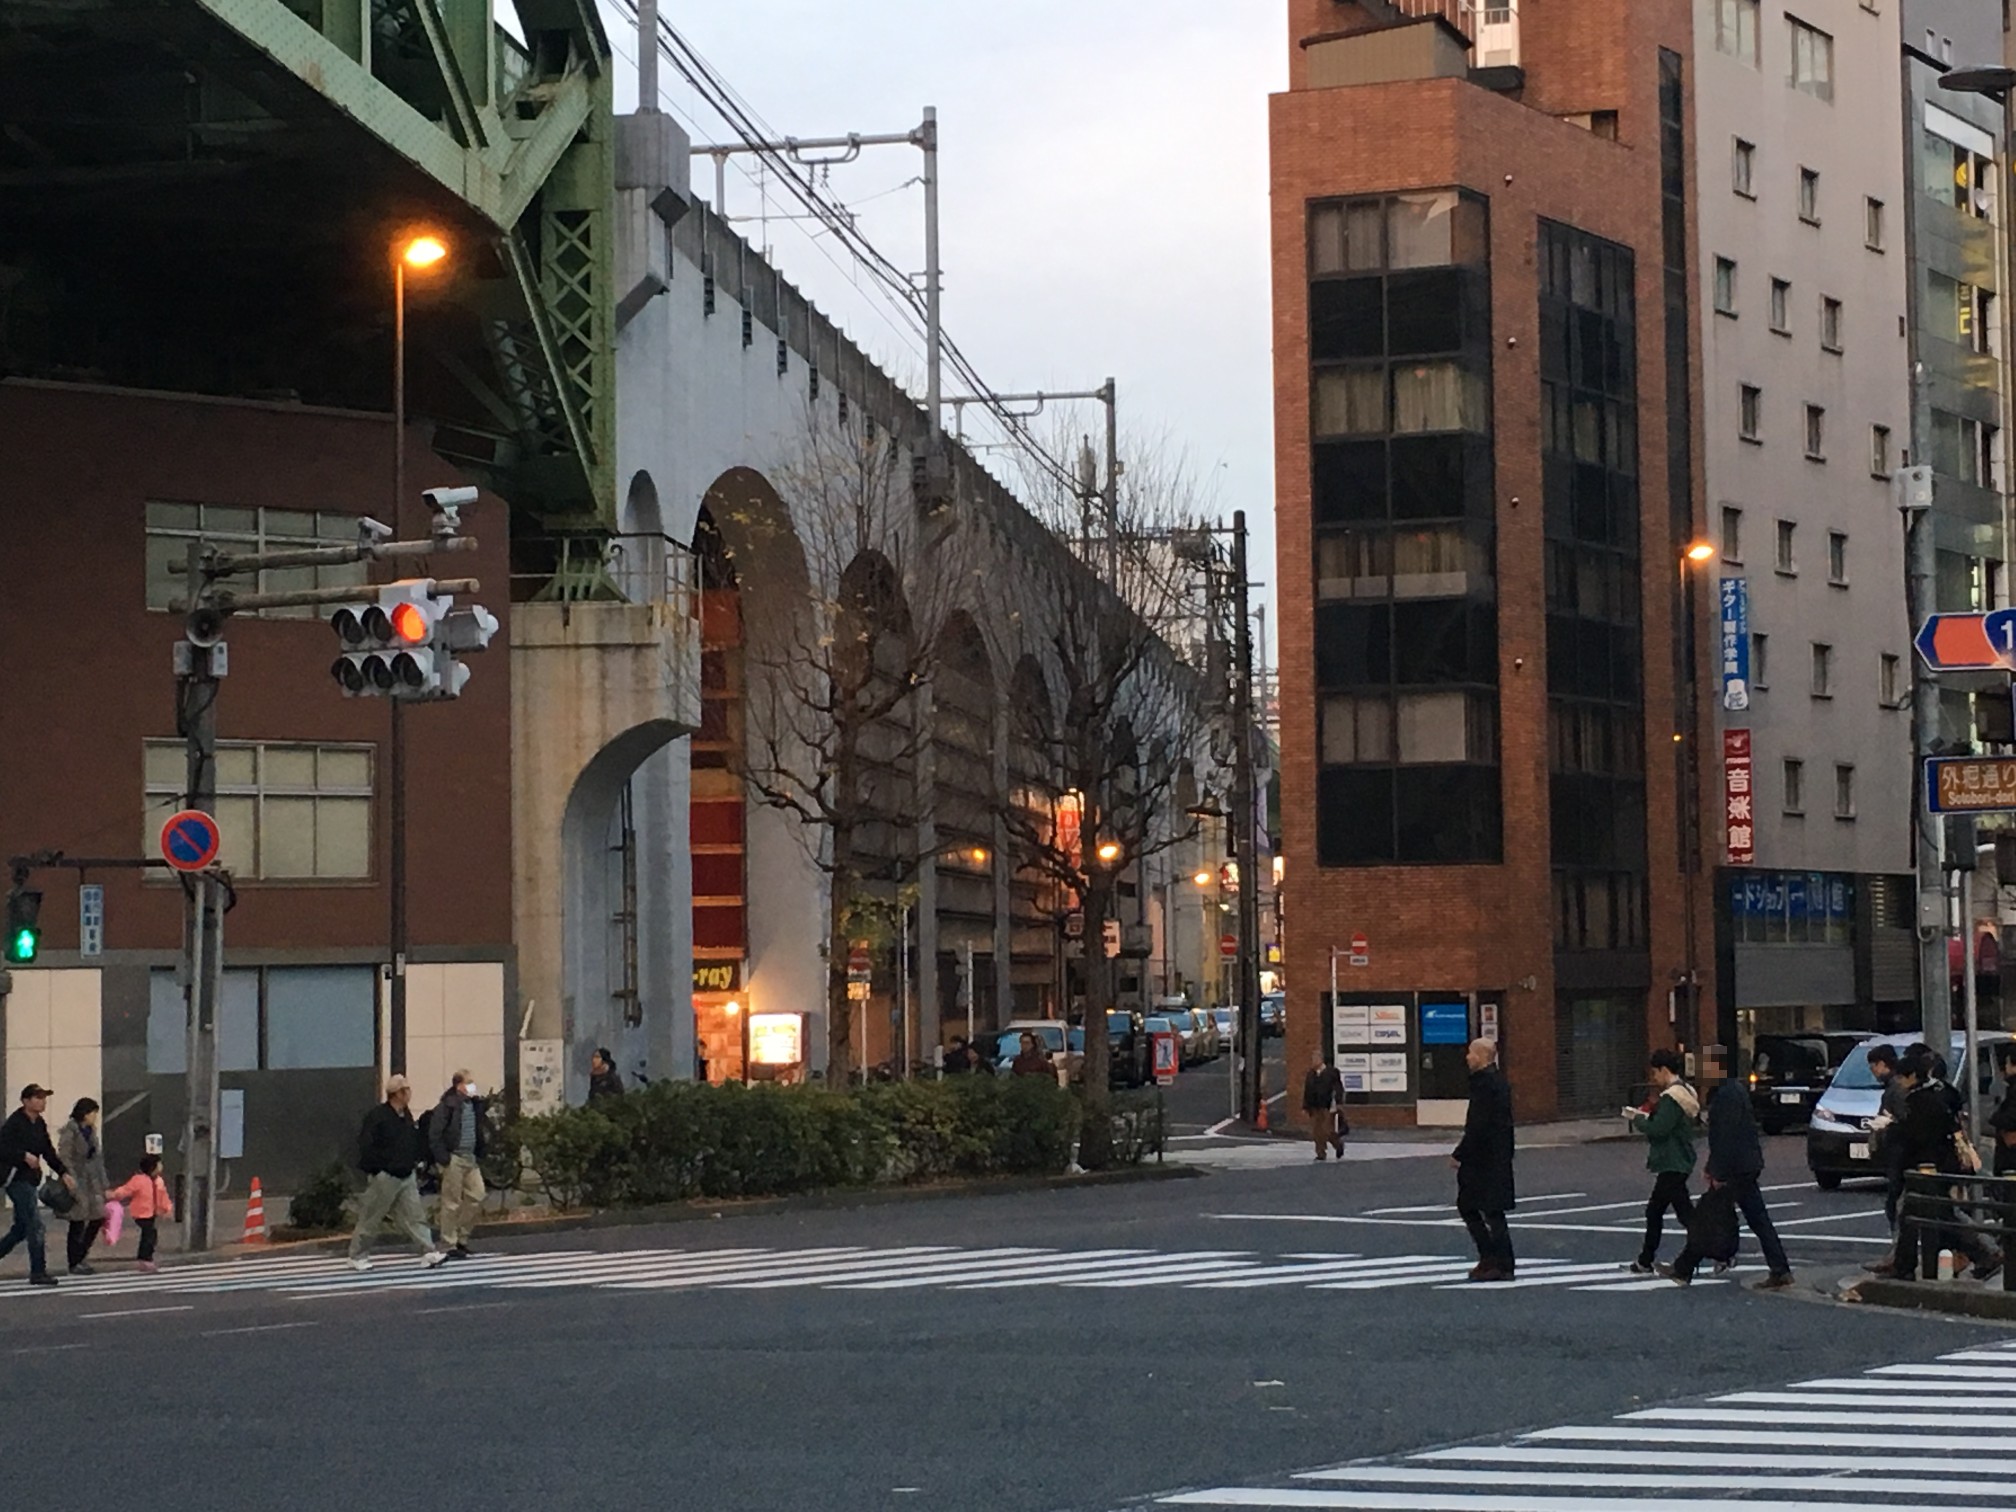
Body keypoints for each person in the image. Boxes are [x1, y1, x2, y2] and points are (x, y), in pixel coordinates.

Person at [1873, 1047, 2003, 1281]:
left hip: (1928, 1168)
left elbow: (1917, 1136)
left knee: (1938, 1216)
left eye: (1902, 1077)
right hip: (1941, 1165)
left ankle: (1984, 1253)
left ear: (1913, 1076)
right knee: (1923, 1214)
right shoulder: (1941, 1093)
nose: (1900, 1082)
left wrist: (1890, 1129)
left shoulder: (1921, 1101)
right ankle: (1905, 1265)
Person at [1662, 1055, 1792, 1290]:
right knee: (1753, 1218)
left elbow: (1725, 1137)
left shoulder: (1726, 1096)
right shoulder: (1733, 1090)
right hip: (1745, 1165)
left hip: (1735, 1168)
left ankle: (1691, 1265)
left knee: (1709, 1215)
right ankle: (1779, 1268)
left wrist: (1717, 1171)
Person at [348, 1075, 447, 1274]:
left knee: (415, 1215)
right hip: (386, 1176)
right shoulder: (378, 1116)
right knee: (372, 1216)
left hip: (406, 1174)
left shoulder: (405, 1116)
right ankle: (357, 1255)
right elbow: (366, 1144)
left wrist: (416, 1161)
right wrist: (377, 1168)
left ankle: (428, 1251)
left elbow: (411, 1140)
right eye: (406, 1090)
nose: (410, 1094)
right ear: (398, 1093)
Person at [1627, 1049, 1699, 1274]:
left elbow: (1659, 1128)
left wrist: (1638, 1119)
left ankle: (1716, 1249)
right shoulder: (1687, 1091)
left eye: (1655, 1073)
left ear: (1664, 1070)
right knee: (1679, 1212)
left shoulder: (1672, 1097)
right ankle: (1646, 1259)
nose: (1654, 1078)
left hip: (1671, 1160)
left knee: (1662, 1212)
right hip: (1680, 1159)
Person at [1452, 1038, 1516, 1281]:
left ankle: (1493, 1259)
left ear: (1481, 1056)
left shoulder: (1485, 1085)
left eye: (1471, 1053)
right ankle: (1501, 1261)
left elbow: (1478, 1126)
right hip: (1496, 1156)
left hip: (1484, 1159)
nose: (1467, 1057)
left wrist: (1460, 1153)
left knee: (1474, 1207)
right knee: (1491, 1210)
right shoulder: (1497, 1083)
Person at [0, 1083, 74, 1286]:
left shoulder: (39, 1123)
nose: (43, 1102)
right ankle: (38, 1271)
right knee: (35, 1224)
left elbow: (48, 1150)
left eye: (44, 1098)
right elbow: (3, 1148)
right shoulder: (14, 1123)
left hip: (30, 1178)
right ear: (26, 1101)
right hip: (15, 1178)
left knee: (21, 1228)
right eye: (38, 1097)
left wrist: (63, 1172)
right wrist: (23, 1156)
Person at [428, 1072, 487, 1260]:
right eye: (468, 1083)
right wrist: (444, 1158)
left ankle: (461, 1235)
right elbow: (435, 1133)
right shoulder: (447, 1106)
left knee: (477, 1194)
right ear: (458, 1085)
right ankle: (449, 1242)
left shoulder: (474, 1105)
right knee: (451, 1202)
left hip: (470, 1157)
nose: (472, 1087)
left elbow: (479, 1128)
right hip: (454, 1157)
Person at [56, 1097, 108, 1276]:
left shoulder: (91, 1131)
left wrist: (104, 1184)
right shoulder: (70, 1131)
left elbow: (98, 1158)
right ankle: (74, 1260)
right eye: (92, 1113)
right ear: (85, 1113)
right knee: (77, 1221)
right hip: (77, 1179)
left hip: (92, 1181)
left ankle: (81, 1254)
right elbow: (65, 1156)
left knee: (98, 1217)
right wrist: (69, 1177)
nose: (94, 1117)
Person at [105, 1154, 173, 1273]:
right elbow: (126, 1190)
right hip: (141, 1213)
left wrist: (167, 1208)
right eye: (159, 1164)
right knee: (149, 1234)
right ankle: (145, 1259)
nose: (161, 1167)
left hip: (152, 1212)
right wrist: (114, 1195)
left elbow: (163, 1197)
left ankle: (146, 1258)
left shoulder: (159, 1181)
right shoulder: (139, 1180)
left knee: (150, 1234)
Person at [1302, 1053, 1345, 1161]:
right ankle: (1321, 1153)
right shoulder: (1311, 1074)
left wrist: (1338, 1102)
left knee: (1327, 1130)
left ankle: (1338, 1144)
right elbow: (1307, 1091)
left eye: (1315, 1059)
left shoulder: (1331, 1072)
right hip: (1314, 1106)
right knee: (1317, 1132)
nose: (1313, 1062)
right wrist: (1305, 1106)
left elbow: (1338, 1088)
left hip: (1327, 1105)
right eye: (1312, 1060)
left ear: (1321, 1060)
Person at [1989, 1045, 2016, 1179]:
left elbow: (2011, 1117)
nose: (2005, 1068)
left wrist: (1995, 1118)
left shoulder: (2014, 1089)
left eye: (2007, 1063)